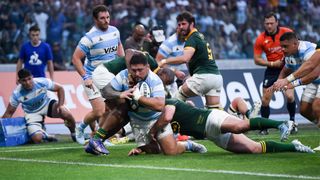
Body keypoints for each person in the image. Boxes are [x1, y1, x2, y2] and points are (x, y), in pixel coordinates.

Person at [85, 53, 206, 155]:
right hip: (137, 120)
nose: (137, 73)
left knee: (170, 151)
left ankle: (188, 145)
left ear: (147, 67)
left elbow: (159, 105)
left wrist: (139, 98)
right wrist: (119, 94)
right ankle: (97, 140)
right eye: (133, 70)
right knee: (121, 103)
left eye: (140, 70)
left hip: (155, 119)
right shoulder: (123, 75)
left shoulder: (154, 80)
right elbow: (106, 91)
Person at [128, 98, 314, 155]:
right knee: (254, 149)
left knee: (239, 126)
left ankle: (282, 123)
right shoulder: (154, 117)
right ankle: (294, 145)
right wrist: (141, 149)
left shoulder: (166, 102)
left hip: (211, 119)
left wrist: (152, 131)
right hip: (211, 135)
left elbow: (168, 116)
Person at [71, 5, 124, 144]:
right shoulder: (89, 38)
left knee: (110, 109)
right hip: (92, 77)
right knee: (99, 111)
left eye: (108, 17)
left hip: (109, 76)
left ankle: (100, 137)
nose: (106, 20)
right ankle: (80, 128)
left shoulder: (115, 31)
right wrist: (85, 77)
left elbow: (119, 46)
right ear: (95, 20)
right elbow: (75, 59)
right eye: (102, 18)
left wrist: (122, 62)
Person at [158, 11, 222, 109]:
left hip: (203, 77)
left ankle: (175, 123)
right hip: (216, 77)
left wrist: (165, 61)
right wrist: (191, 75)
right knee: (214, 111)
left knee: (176, 98)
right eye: (179, 25)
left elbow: (185, 58)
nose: (181, 27)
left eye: (184, 24)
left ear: (192, 24)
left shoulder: (191, 39)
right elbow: (198, 59)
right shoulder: (200, 37)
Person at [1, 69, 76, 143]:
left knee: (65, 112)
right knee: (37, 139)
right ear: (19, 81)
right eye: (24, 80)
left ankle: (74, 134)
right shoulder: (17, 93)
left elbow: (60, 88)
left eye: (29, 79)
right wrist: (1, 125)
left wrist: (60, 105)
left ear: (32, 77)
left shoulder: (41, 82)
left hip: (47, 104)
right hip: (32, 112)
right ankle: (45, 135)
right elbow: (9, 113)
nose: (28, 82)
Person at [253, 12, 296, 135]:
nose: (269, 26)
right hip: (271, 70)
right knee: (265, 99)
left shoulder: (287, 32)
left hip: (287, 68)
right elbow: (257, 60)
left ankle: (292, 123)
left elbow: (295, 47)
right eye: (267, 24)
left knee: (290, 96)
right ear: (264, 24)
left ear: (277, 22)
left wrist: (287, 60)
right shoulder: (260, 39)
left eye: (272, 23)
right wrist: (272, 64)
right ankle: (264, 127)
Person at [271, 32, 320, 129]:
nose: (283, 49)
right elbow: (286, 70)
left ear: (295, 44)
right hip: (314, 82)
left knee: (317, 106)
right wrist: (278, 82)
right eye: (281, 46)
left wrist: (291, 83)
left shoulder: (308, 50)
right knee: (304, 110)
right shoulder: (289, 54)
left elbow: (314, 73)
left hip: (315, 77)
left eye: (285, 46)